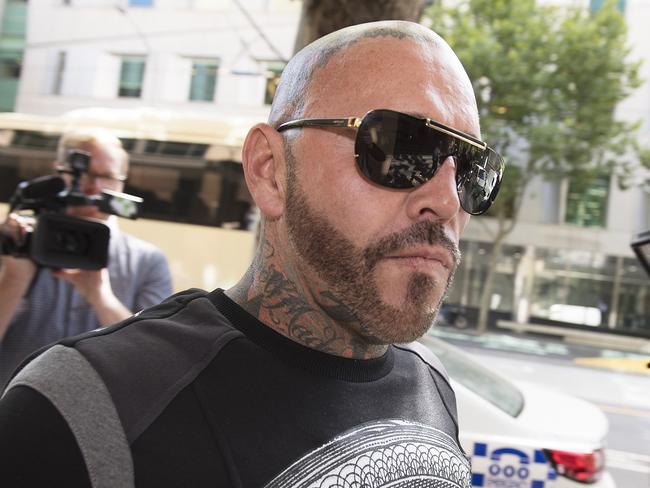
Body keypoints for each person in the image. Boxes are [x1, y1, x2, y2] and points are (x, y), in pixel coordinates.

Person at [0, 20, 504, 487]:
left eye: (471, 171)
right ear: (269, 170)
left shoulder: (433, 387)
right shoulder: (88, 410)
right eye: (401, 147)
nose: (446, 200)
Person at [0, 128, 173, 388]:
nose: (94, 187)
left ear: (122, 183)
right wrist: (14, 277)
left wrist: (101, 298)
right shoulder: (14, 243)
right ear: (59, 172)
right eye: (85, 174)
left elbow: (153, 362)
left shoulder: (147, 261)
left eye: (106, 177)